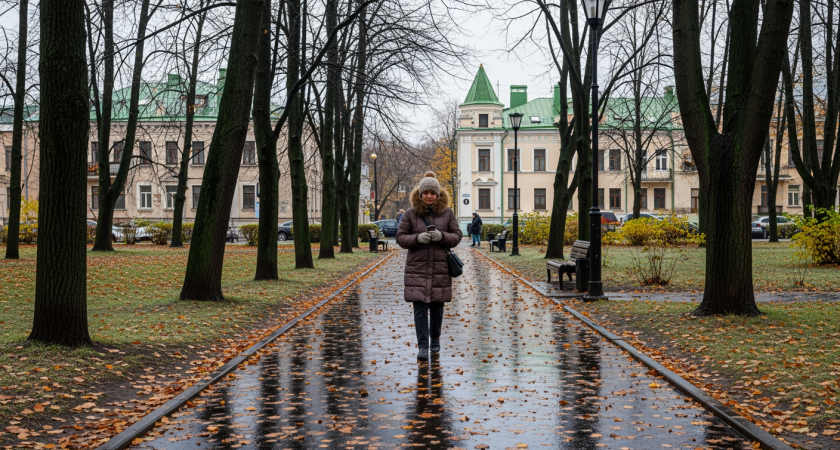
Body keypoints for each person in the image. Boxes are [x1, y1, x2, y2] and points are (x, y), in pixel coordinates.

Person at [396, 171, 462, 361]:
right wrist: (417, 238)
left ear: (438, 194)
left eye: (433, 193)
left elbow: (457, 236)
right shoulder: (410, 214)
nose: (429, 196)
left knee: (437, 309)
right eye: (426, 193)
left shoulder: (447, 213)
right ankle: (423, 346)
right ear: (420, 194)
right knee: (420, 309)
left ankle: (435, 340)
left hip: (441, 269)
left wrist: (443, 237)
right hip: (417, 269)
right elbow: (400, 238)